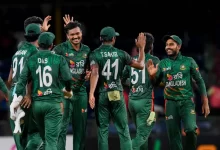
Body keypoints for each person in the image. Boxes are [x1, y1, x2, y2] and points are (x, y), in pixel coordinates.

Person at [10, 32, 73, 150]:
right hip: (53, 104)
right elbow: (68, 79)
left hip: (37, 106)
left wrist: (16, 98)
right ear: (52, 45)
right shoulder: (59, 59)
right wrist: (68, 90)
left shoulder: (32, 59)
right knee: (51, 142)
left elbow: (21, 81)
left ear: (39, 45)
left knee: (44, 140)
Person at [146, 35, 210, 150]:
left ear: (179, 46)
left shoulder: (189, 61)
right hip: (170, 103)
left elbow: (200, 81)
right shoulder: (163, 63)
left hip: (186, 102)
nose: (167, 47)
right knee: (174, 137)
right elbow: (156, 84)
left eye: (171, 44)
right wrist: (152, 76)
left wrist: (205, 101)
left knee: (191, 130)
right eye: (166, 45)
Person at [89, 26, 146, 150]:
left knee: (103, 131)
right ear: (113, 39)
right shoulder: (121, 54)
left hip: (102, 94)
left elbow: (94, 73)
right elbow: (141, 65)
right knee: (124, 130)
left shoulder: (94, 54)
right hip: (117, 93)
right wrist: (141, 48)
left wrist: (91, 94)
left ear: (100, 38)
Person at [53, 20, 91, 150]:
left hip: (81, 93)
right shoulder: (59, 49)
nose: (75, 37)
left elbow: (89, 69)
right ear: (67, 36)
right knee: (61, 128)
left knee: (80, 130)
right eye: (72, 34)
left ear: (82, 33)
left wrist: (88, 74)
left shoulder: (87, 50)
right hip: (64, 93)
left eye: (77, 33)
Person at [8, 23, 43, 150]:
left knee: (19, 134)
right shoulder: (34, 51)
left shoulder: (16, 53)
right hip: (25, 94)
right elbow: (31, 75)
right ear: (39, 36)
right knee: (36, 132)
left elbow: (10, 78)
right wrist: (28, 94)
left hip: (14, 93)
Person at [122, 32, 159, 150]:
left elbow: (122, 79)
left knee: (141, 134)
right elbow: (158, 81)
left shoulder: (130, 60)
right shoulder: (154, 60)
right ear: (151, 46)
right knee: (142, 135)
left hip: (132, 102)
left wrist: (133, 84)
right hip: (145, 102)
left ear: (137, 44)